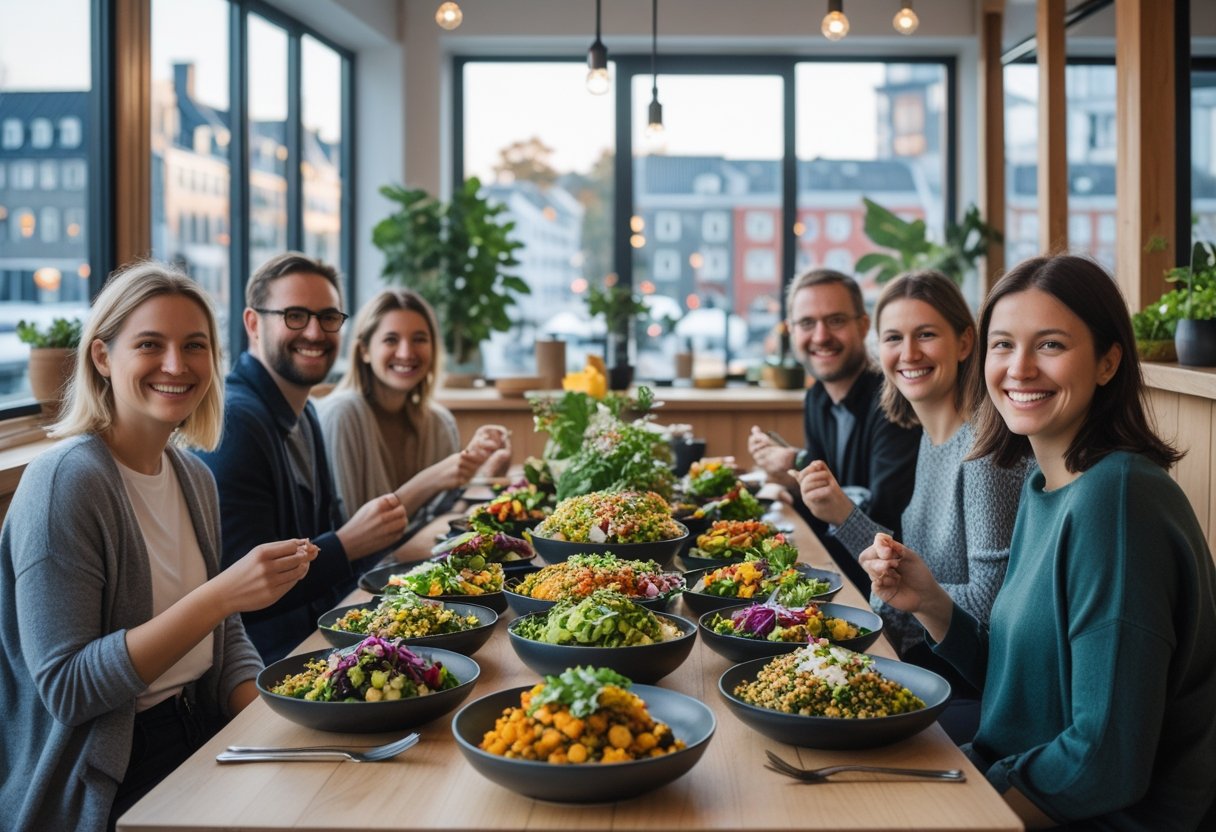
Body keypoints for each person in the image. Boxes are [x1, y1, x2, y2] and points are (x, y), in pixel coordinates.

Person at [861, 255, 1216, 829]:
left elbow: (1106, 761)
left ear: (1107, 361)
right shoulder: (1044, 482)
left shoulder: (1116, 500)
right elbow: (1021, 682)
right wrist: (929, 601)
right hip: (1014, 774)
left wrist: (971, 808)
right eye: (1004, 345)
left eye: (1050, 345)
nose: (1019, 369)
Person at [0, 261, 317, 831]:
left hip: (203, 730)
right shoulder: (66, 483)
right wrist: (221, 596)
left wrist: (284, 719)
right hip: (108, 775)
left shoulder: (193, 476)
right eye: (150, 344)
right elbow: (68, 689)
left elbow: (224, 639)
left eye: (194, 346)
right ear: (102, 357)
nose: (177, 365)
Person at [797, 270, 1029, 742]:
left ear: (966, 342)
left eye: (926, 335)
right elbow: (912, 571)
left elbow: (988, 609)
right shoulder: (931, 438)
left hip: (976, 690)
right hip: (925, 664)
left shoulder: (984, 453)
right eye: (894, 338)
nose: (909, 354)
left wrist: (903, 594)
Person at [197, 253, 408, 663]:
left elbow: (324, 550)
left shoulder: (307, 411)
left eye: (329, 317)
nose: (314, 331)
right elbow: (247, 596)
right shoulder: (236, 422)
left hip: (323, 638)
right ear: (253, 324)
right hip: (269, 662)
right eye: (294, 315)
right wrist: (348, 544)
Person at [748, 268, 920, 592]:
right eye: (807, 323)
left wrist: (797, 464)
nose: (821, 336)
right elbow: (827, 510)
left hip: (882, 590)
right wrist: (793, 479)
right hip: (836, 572)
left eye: (836, 320)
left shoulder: (894, 401)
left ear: (864, 325)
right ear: (792, 330)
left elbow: (882, 528)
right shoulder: (817, 398)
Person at [316, 288, 510, 520]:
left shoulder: (439, 422)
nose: (407, 353)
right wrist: (433, 479)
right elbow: (355, 536)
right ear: (365, 350)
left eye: (419, 339)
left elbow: (445, 521)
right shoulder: (343, 414)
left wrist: (484, 477)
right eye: (391, 340)